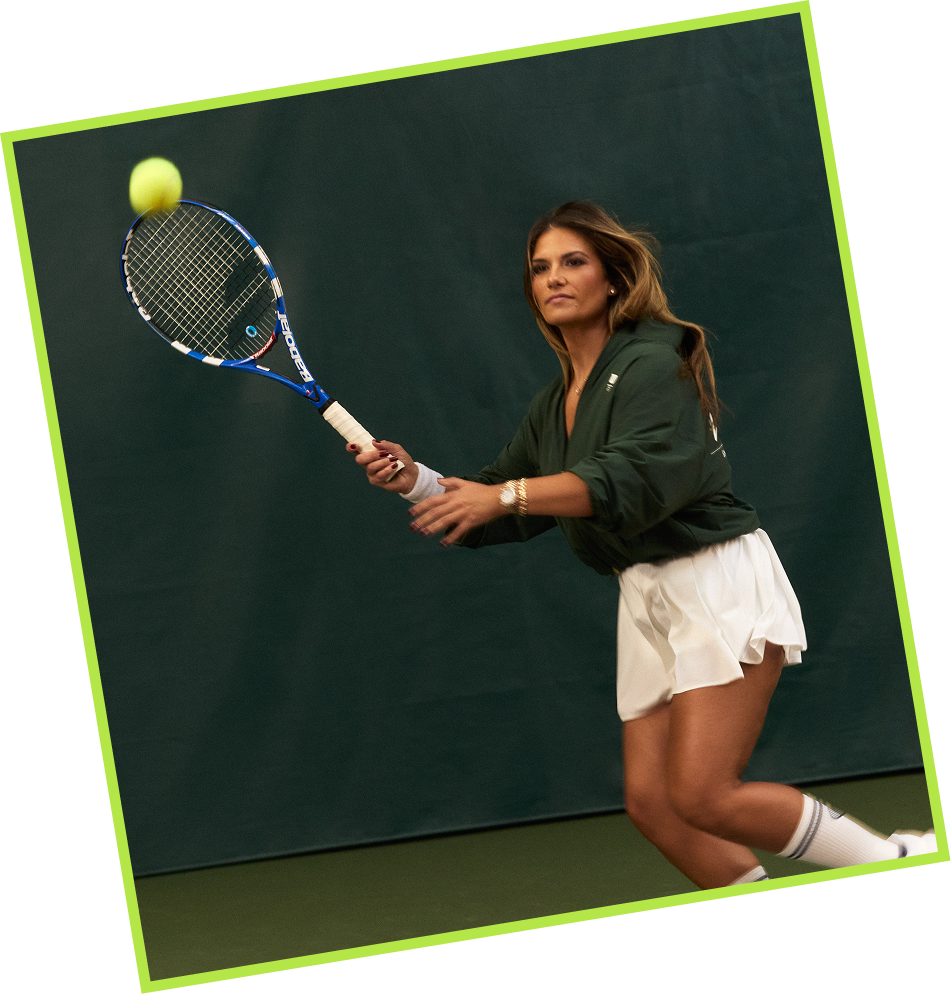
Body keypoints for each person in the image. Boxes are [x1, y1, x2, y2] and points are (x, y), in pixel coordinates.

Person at [348, 200, 936, 889]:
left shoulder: (655, 360)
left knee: (704, 794)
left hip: (716, 581)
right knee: (655, 806)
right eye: (540, 269)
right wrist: (414, 480)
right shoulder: (554, 401)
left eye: (573, 262)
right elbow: (497, 501)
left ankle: (897, 866)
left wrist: (504, 495)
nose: (553, 279)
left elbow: (627, 477)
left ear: (613, 279)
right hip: (646, 592)